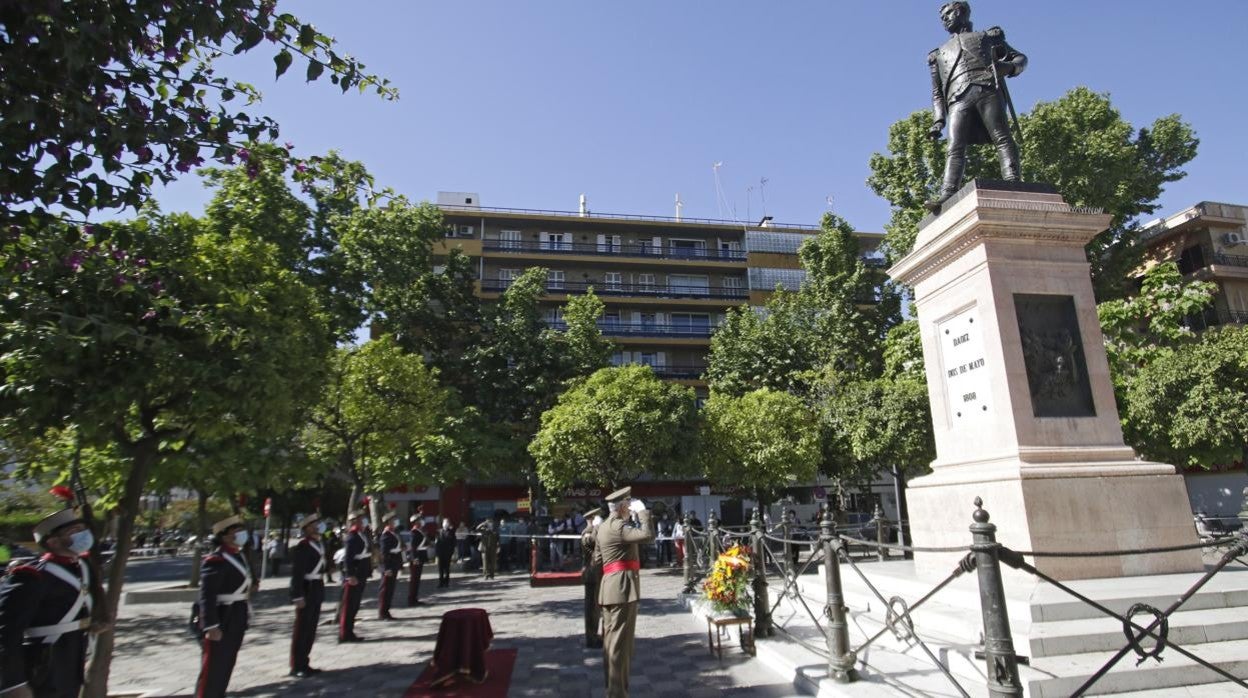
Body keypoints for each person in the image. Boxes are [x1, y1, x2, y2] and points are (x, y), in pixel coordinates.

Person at [924, 1, 1027, 212]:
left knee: (1002, 136)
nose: (944, 19)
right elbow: (936, 92)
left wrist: (1007, 67)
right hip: (957, 99)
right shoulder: (937, 54)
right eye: (941, 17)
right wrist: (938, 120)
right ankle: (948, 193)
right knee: (954, 147)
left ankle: (1012, 180)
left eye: (948, 14)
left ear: (961, 11)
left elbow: (1020, 58)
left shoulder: (988, 38)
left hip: (986, 89)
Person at [0, 507, 107, 698]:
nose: (82, 535)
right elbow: (7, 632)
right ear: (53, 541)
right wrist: (13, 684)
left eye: (83, 529)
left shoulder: (83, 567)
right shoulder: (32, 576)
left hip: (72, 661)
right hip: (42, 665)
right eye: (74, 532)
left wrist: (94, 621)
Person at [593, 487, 655, 698]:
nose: (630, 508)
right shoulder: (619, 526)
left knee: (610, 643)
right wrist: (644, 512)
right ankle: (617, 693)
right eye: (628, 505)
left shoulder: (602, 528)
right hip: (622, 589)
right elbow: (647, 535)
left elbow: (598, 560)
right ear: (620, 507)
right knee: (621, 645)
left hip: (609, 587)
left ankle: (611, 688)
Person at [196, 515, 257, 698]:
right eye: (236, 532)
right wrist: (211, 625)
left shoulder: (238, 555)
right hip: (224, 614)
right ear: (224, 536)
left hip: (238, 611)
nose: (240, 534)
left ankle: (219, 693)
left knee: (228, 659)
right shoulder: (216, 560)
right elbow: (207, 595)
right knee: (214, 663)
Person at [288, 514, 326, 679]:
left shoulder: (317, 543)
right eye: (314, 524)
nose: (317, 526)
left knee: (311, 628)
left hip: (316, 587)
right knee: (302, 629)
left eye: (317, 523)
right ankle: (297, 665)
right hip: (307, 588)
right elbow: (297, 573)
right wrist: (297, 595)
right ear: (306, 528)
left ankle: (305, 661)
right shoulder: (303, 546)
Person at [337, 509, 371, 643]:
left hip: (361, 573)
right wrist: (350, 575)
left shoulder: (361, 534)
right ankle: (344, 634)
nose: (364, 520)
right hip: (355, 575)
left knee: (355, 605)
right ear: (355, 521)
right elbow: (348, 558)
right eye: (361, 518)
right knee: (349, 606)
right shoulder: (352, 536)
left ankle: (349, 631)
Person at [580, 507, 604, 649]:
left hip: (595, 572)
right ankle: (592, 638)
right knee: (592, 608)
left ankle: (593, 636)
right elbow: (593, 542)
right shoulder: (588, 532)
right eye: (597, 518)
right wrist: (595, 527)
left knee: (594, 607)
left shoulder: (591, 531)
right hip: (592, 573)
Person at [377, 512, 402, 620]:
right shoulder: (385, 535)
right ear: (388, 522)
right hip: (389, 565)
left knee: (390, 590)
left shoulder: (393, 533)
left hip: (394, 564)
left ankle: (386, 611)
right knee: (385, 590)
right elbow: (384, 553)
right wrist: (386, 568)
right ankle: (382, 612)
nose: (395, 522)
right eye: (393, 520)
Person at [406, 511, 428, 606]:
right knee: (414, 580)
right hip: (416, 558)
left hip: (420, 557)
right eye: (419, 520)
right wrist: (414, 558)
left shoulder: (420, 531)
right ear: (415, 522)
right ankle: (411, 600)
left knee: (417, 580)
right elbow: (413, 546)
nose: (421, 521)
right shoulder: (414, 532)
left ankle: (414, 598)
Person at [434, 519, 457, 588]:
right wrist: (437, 553)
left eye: (447, 522)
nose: (446, 524)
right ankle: (441, 582)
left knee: (447, 568)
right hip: (440, 553)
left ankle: (446, 582)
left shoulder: (451, 532)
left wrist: (452, 552)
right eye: (445, 522)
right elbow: (436, 543)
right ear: (443, 523)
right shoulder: (438, 531)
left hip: (448, 553)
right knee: (440, 568)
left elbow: (453, 542)